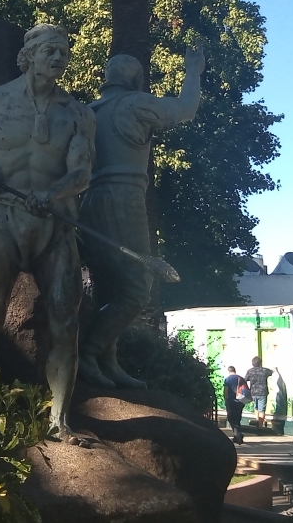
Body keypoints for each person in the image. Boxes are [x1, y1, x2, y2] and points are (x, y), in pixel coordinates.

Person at [0, 24, 95, 439]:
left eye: (64, 51)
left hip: (56, 225)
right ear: (28, 55)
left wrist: (52, 193)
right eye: (51, 50)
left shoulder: (78, 113)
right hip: (2, 218)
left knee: (66, 326)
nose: (59, 57)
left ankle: (59, 422)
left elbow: (82, 172)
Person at [76, 49, 203, 388]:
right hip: (124, 197)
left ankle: (109, 362)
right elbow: (185, 110)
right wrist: (193, 71)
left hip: (88, 201)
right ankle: (88, 352)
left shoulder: (88, 111)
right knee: (136, 288)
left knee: (107, 287)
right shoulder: (135, 104)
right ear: (135, 79)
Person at [223, 366, 248, 445]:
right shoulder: (241, 378)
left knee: (231, 418)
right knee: (237, 418)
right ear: (235, 370)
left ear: (229, 371)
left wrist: (225, 399)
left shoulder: (227, 379)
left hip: (231, 401)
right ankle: (236, 436)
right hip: (240, 401)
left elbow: (226, 390)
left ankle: (238, 434)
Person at [245, 356, 272, 429]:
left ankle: (257, 421)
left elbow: (245, 379)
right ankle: (260, 427)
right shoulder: (264, 370)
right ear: (260, 363)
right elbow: (271, 372)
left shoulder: (250, 371)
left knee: (256, 408)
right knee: (262, 410)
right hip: (263, 392)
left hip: (253, 392)